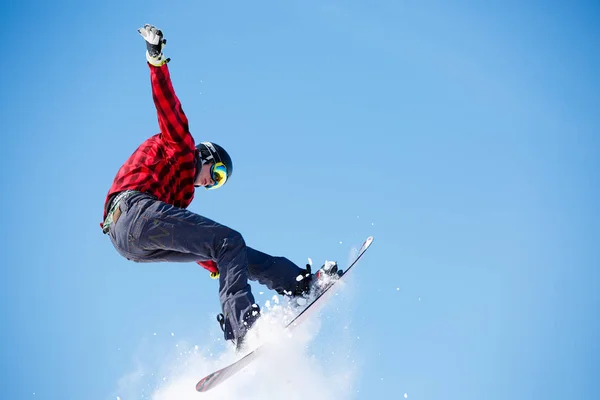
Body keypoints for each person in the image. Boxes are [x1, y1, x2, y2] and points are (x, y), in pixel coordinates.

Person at [100, 24, 338, 351]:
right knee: (229, 241)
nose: (214, 181)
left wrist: (221, 265)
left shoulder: (180, 195)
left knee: (231, 250)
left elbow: (198, 245)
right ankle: (245, 328)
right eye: (219, 171)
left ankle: (298, 285)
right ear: (206, 156)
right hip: (133, 213)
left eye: (220, 182)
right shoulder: (181, 150)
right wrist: (156, 61)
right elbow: (168, 109)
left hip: (129, 240)